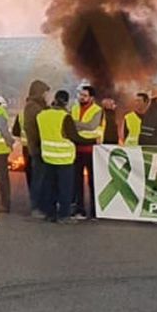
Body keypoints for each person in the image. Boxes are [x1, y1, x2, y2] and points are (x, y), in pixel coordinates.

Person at [37, 90, 94, 222]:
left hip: (47, 156)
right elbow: (74, 136)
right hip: (64, 159)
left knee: (50, 187)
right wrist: (92, 141)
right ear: (66, 102)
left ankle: (50, 214)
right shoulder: (65, 117)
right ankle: (64, 215)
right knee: (65, 189)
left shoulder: (42, 115)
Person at [69, 85, 105, 219]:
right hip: (76, 149)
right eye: (80, 95)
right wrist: (77, 124)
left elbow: (92, 126)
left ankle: (95, 211)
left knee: (93, 181)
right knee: (76, 181)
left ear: (91, 98)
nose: (81, 97)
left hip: (91, 150)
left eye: (84, 95)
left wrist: (75, 123)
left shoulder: (97, 110)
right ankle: (79, 209)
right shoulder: (74, 108)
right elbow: (69, 124)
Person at [19, 79, 50, 217]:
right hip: (37, 149)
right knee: (38, 179)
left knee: (42, 179)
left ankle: (42, 206)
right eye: (45, 93)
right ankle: (35, 208)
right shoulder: (33, 107)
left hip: (40, 148)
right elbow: (32, 129)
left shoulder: (37, 106)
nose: (46, 96)